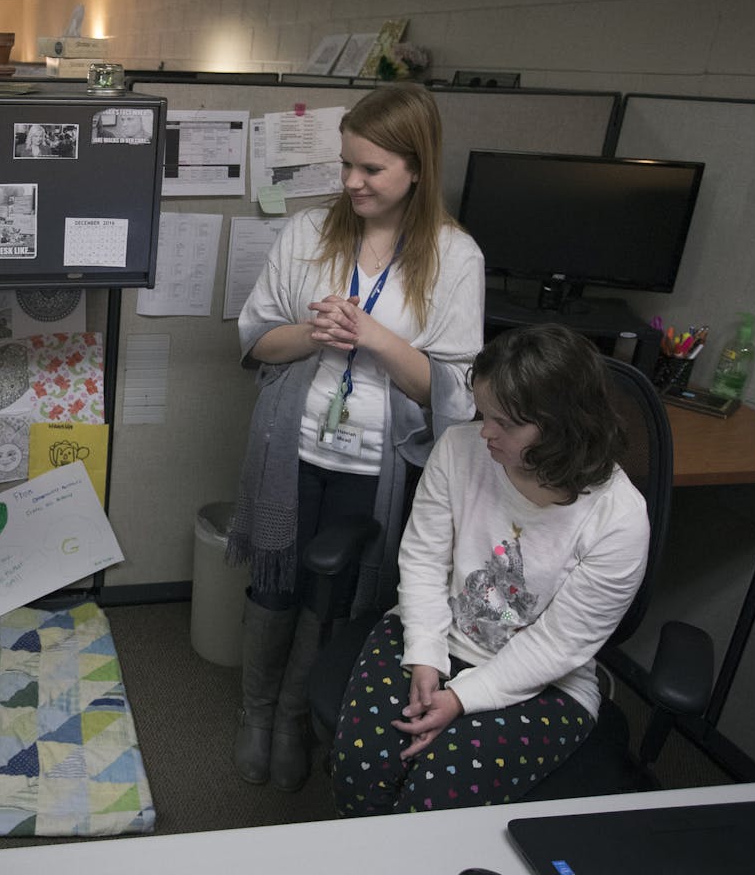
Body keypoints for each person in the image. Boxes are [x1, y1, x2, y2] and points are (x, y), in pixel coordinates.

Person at [227, 83, 485, 792]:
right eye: (346, 164)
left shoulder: (456, 257)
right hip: (292, 451)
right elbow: (254, 342)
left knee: (332, 597)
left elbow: (455, 395)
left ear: (418, 167)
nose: (351, 181)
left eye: (370, 168)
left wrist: (374, 337)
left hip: (381, 467)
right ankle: (260, 717)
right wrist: (313, 333)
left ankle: (296, 715)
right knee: (275, 584)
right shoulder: (308, 234)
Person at [332, 324, 649, 814]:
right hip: (436, 633)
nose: (485, 431)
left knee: (436, 796)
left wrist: (459, 698)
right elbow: (423, 560)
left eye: (505, 423)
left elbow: (558, 646)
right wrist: (424, 654)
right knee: (362, 763)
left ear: (563, 427)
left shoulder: (618, 518)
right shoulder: (460, 451)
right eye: (484, 413)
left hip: (546, 682)